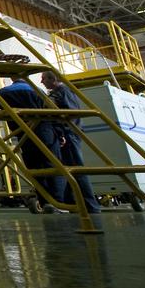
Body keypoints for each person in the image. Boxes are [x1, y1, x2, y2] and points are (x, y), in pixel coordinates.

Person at [0, 73, 65, 208]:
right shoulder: (39, 91)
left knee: (34, 168)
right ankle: (59, 202)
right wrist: (60, 133)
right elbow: (50, 110)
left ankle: (45, 202)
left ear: (12, 78)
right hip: (45, 131)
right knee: (54, 166)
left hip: (24, 133)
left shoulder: (5, 92)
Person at [41, 71, 102, 214]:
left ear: (53, 78)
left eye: (44, 79)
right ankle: (73, 204)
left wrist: (63, 131)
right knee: (68, 171)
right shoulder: (57, 92)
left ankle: (91, 206)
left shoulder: (63, 91)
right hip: (64, 134)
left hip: (69, 134)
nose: (41, 82)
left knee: (77, 170)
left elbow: (71, 112)